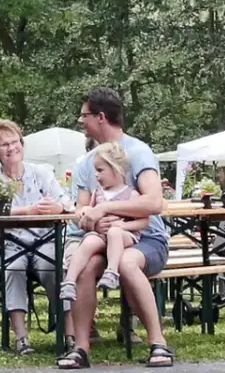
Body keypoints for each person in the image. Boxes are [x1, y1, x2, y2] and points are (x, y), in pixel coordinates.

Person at [57, 89, 172, 370]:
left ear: (101, 117)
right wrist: (91, 219)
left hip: (145, 238)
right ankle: (81, 348)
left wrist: (107, 211)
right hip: (101, 239)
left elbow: (154, 202)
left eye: (84, 115)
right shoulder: (87, 163)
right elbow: (82, 209)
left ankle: (158, 343)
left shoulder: (138, 151)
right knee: (83, 264)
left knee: (127, 263)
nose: (80, 120)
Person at [0, 120, 69, 356]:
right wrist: (28, 211)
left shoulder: (41, 172)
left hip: (46, 240)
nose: (11, 148)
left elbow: (66, 202)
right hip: (13, 242)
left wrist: (56, 206)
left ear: (22, 144)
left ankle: (68, 333)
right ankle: (21, 338)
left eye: (14, 142)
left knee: (53, 269)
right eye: (4, 145)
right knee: (12, 268)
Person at [69, 143, 149, 294]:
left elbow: (145, 221)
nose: (96, 175)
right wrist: (85, 212)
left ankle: (112, 271)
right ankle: (69, 281)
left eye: (100, 170)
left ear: (116, 169)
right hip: (101, 237)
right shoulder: (97, 193)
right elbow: (88, 216)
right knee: (88, 241)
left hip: (122, 236)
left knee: (114, 233)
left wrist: (122, 226)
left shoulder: (131, 194)